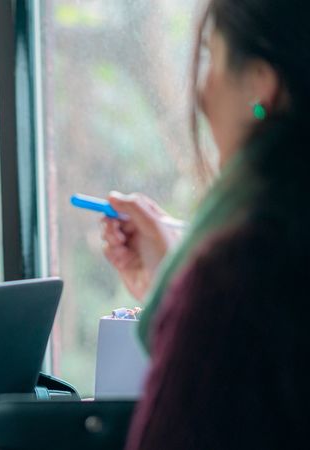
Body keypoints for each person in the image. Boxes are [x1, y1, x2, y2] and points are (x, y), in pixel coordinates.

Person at [98, 0, 310, 447]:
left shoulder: (237, 279)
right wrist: (172, 280)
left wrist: (191, 287)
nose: (202, 94)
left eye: (212, 59)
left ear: (260, 86)